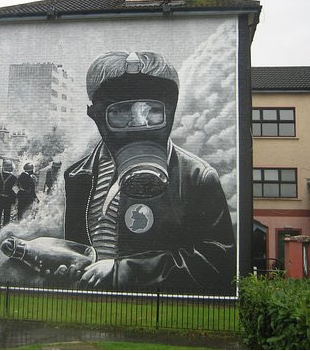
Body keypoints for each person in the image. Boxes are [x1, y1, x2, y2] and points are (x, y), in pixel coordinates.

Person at [60, 51, 236, 295]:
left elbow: (219, 263)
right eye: (121, 112)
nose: (139, 123)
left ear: (171, 112)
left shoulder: (197, 177)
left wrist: (123, 272)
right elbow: (77, 252)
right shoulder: (78, 176)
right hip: (90, 305)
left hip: (152, 309)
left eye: (152, 110)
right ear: (96, 116)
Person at [0, 159, 17, 235]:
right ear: (10, 167)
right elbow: (15, 191)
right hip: (8, 200)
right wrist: (13, 201)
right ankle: (5, 233)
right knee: (7, 216)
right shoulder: (14, 178)